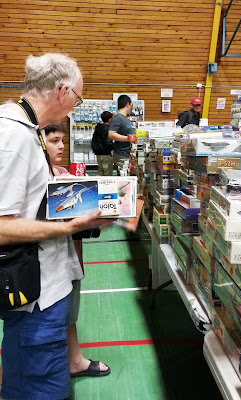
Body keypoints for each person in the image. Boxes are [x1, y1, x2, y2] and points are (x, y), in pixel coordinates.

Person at [0, 52, 111, 400]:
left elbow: (27, 206)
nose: (75, 107)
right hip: (35, 300)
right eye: (77, 98)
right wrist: (67, 228)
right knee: (39, 388)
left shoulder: (27, 130)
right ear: (62, 91)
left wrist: (82, 208)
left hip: (47, 291)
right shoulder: (14, 136)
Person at [45, 123, 110, 379]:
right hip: (47, 262)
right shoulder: (43, 179)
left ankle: (74, 360)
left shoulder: (65, 175)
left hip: (71, 258)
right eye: (53, 140)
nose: (61, 146)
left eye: (62, 140)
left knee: (71, 311)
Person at [108, 95, 136, 172]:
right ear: (128, 105)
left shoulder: (125, 118)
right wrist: (127, 139)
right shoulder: (118, 118)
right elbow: (111, 134)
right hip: (122, 154)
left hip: (127, 153)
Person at [91, 111, 114, 176]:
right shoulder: (107, 130)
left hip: (98, 154)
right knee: (107, 173)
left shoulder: (98, 127)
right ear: (110, 119)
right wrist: (114, 144)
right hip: (106, 154)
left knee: (100, 172)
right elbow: (108, 144)